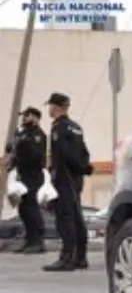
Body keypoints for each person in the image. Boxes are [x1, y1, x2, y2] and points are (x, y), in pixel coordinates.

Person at [42, 92, 93, 272]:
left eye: (50, 106)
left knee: (65, 218)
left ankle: (67, 258)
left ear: (56, 107)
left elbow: (64, 154)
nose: (49, 109)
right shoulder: (76, 127)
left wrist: (61, 173)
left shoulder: (59, 127)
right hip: (76, 178)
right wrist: (83, 168)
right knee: (77, 216)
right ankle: (80, 257)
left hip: (64, 178)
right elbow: (84, 152)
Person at [11, 107, 48, 253]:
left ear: (35, 117)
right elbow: (15, 153)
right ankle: (29, 239)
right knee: (23, 209)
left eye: (27, 115)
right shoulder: (23, 134)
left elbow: (36, 156)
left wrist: (22, 145)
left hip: (33, 175)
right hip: (22, 175)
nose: (24, 118)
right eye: (23, 115)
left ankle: (38, 241)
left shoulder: (38, 135)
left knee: (32, 207)